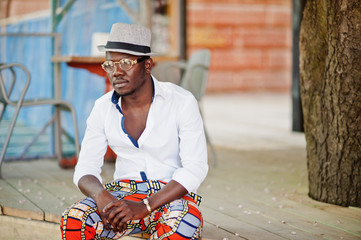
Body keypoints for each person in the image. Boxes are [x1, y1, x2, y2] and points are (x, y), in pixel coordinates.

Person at [60, 23, 208, 239]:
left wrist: (145, 206)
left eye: (126, 63)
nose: (116, 72)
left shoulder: (181, 102)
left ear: (147, 65)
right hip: (121, 198)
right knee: (75, 219)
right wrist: (102, 196)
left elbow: (195, 168)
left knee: (181, 224)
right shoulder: (103, 107)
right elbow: (85, 168)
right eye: (110, 64)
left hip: (169, 198)